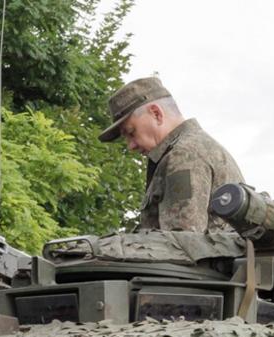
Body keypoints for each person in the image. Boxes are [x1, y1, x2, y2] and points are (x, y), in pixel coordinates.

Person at [99, 76, 244, 233]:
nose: (131, 145)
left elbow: (181, 243)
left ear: (156, 114)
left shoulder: (184, 156)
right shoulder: (197, 146)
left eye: (131, 132)